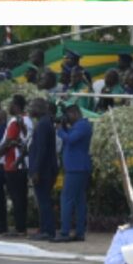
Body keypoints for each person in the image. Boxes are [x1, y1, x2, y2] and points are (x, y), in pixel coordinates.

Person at [57, 102, 93, 241]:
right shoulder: (77, 126)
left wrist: (60, 130)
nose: (67, 118)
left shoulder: (83, 125)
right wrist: (65, 127)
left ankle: (65, 232)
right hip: (76, 167)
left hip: (77, 168)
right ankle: (79, 232)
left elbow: (70, 139)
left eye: (68, 115)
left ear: (75, 113)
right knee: (79, 201)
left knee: (66, 199)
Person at [0, 94, 30, 238]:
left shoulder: (16, 121)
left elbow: (8, 142)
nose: (9, 107)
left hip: (13, 163)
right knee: (21, 197)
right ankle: (21, 227)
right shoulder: (27, 119)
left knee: (16, 198)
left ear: (16, 106)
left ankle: (19, 229)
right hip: (22, 164)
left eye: (11, 104)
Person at [27, 96, 58, 240]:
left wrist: (36, 171)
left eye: (32, 106)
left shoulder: (43, 124)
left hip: (44, 170)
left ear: (40, 108)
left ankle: (47, 231)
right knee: (43, 201)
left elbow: (42, 150)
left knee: (44, 201)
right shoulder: (44, 122)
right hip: (46, 169)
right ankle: (45, 229)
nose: (30, 109)